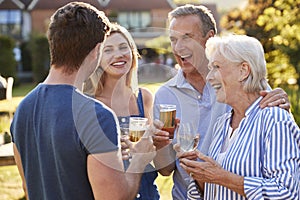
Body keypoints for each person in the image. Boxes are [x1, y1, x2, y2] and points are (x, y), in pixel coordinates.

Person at [10, 2, 155, 199]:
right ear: (96, 50)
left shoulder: (22, 109)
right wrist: (140, 158)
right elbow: (114, 197)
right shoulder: (97, 116)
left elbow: (28, 189)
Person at [152, 4, 291, 200]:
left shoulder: (238, 83)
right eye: (173, 40)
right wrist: (158, 145)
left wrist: (281, 105)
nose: (178, 47)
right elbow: (166, 170)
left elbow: (272, 120)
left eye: (186, 37)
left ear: (209, 39)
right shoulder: (165, 95)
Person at [179, 34, 300, 199]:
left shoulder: (275, 120)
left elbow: (287, 193)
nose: (209, 76)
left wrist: (222, 177)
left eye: (216, 67)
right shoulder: (222, 123)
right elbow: (214, 190)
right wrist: (200, 175)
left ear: (243, 70)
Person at [83, 23, 159, 200]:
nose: (118, 54)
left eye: (123, 47)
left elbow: (161, 166)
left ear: (132, 52)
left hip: (148, 194)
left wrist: (159, 145)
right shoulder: (91, 104)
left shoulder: (144, 98)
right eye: (108, 50)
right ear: (97, 59)